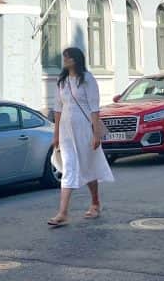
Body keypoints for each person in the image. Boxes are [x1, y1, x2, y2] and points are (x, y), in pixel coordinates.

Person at [48, 46, 114, 227]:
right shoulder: (61, 81)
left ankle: (95, 202)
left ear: (75, 60)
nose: (64, 60)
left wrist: (96, 133)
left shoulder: (87, 80)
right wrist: (56, 134)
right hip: (66, 131)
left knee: (87, 166)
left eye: (67, 57)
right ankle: (62, 213)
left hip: (84, 128)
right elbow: (58, 108)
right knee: (69, 167)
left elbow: (94, 107)